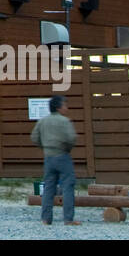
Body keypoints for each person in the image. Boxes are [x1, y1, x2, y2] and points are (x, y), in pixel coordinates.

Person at [30, 95, 79, 226]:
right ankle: (68, 219)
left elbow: (34, 137)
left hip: (48, 157)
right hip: (63, 156)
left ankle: (46, 219)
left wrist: (44, 146)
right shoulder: (65, 121)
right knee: (68, 186)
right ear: (58, 107)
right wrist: (67, 149)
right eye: (65, 105)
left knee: (48, 188)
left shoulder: (42, 121)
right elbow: (71, 138)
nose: (66, 108)